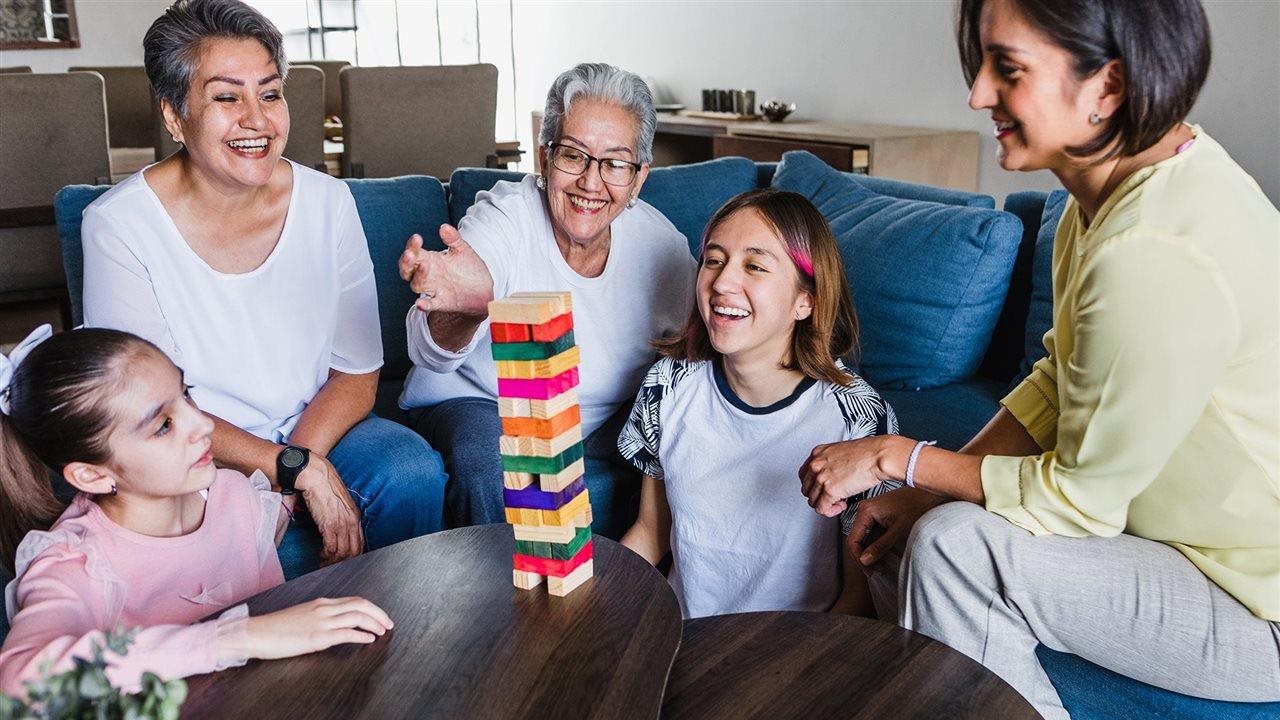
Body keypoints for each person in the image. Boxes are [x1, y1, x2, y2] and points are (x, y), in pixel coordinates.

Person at [800, 0, 1280, 716]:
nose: (977, 94)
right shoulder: (1107, 201)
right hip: (1195, 556)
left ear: (1108, 88)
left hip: (1255, 600)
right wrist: (925, 487)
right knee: (910, 530)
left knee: (952, 548)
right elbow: (1055, 383)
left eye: (1009, 69)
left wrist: (894, 458)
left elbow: (1080, 504)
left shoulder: (1147, 251)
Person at [81, 0, 446, 577]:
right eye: (227, 97)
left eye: (270, 94)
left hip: (318, 425)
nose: (257, 119)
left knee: (409, 471)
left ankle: (406, 643)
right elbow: (149, 410)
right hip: (195, 446)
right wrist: (288, 469)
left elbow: (355, 374)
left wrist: (298, 465)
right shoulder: (118, 226)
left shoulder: (327, 202)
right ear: (175, 116)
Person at [0, 326, 392, 697]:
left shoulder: (234, 494)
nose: (203, 424)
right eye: (163, 426)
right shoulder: (76, 562)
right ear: (91, 475)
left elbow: (263, 526)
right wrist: (239, 636)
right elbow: (22, 681)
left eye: (185, 394)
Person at [397, 63, 695, 536]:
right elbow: (429, 354)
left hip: (591, 420)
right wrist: (467, 308)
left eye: (615, 163)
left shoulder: (664, 251)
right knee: (503, 471)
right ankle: (510, 610)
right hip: (479, 405)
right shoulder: (504, 219)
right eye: (574, 156)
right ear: (544, 158)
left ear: (638, 178)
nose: (591, 183)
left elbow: (709, 350)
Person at [617, 189, 899, 619]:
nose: (722, 283)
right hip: (684, 639)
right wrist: (591, 603)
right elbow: (652, 533)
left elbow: (859, 595)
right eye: (713, 260)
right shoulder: (667, 385)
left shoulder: (857, 416)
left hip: (795, 656)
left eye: (754, 266)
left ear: (807, 301)